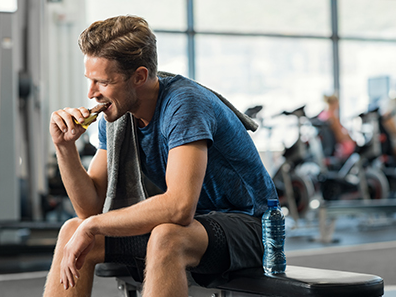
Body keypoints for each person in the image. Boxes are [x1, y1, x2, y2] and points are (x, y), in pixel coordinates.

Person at [44, 15, 277, 297]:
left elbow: (179, 207)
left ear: (140, 76)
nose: (92, 93)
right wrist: (64, 147)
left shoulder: (185, 104)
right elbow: (89, 208)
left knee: (168, 237)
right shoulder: (116, 114)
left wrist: (93, 226)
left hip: (253, 227)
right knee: (73, 229)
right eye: (90, 80)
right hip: (195, 226)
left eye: (102, 82)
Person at [318, 94, 356, 160]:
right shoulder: (332, 117)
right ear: (335, 103)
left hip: (325, 148)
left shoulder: (322, 115)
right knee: (353, 147)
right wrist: (351, 140)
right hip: (337, 148)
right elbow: (339, 136)